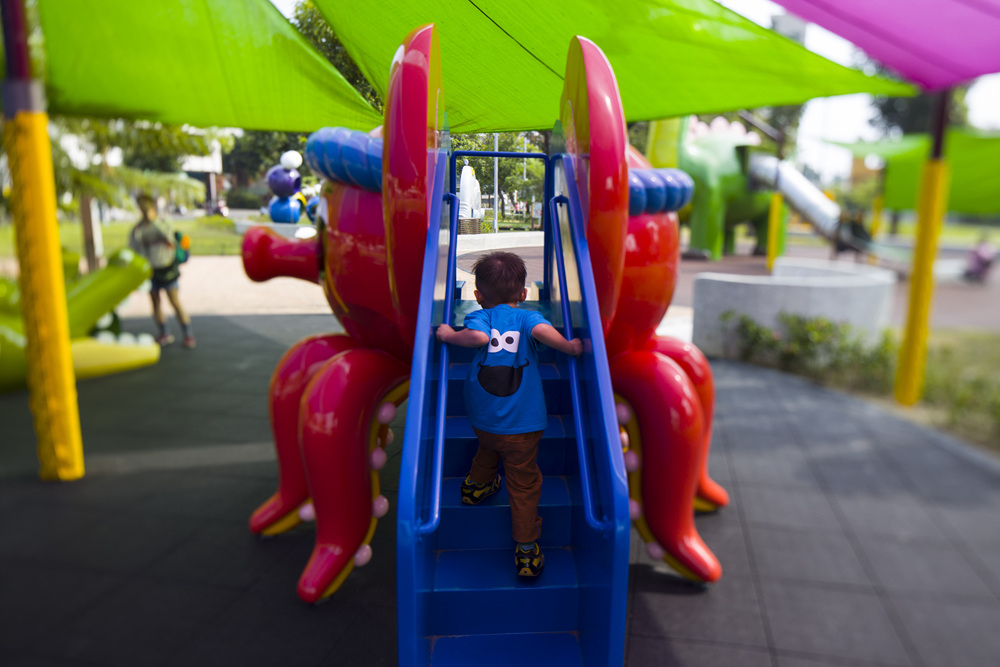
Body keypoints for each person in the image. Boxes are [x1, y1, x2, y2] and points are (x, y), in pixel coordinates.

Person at [436, 251, 582, 577]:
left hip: (483, 416)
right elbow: (544, 333)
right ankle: (527, 550)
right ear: (523, 294)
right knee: (523, 481)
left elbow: (477, 337)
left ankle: (475, 487)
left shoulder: (480, 316)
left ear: (477, 296)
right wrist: (571, 347)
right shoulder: (528, 318)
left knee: (489, 445)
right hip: (523, 424)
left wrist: (447, 335)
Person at [129, 194, 196, 348]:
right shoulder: (139, 228)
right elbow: (134, 246)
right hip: (151, 270)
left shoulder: (163, 222)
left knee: (174, 301)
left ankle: (188, 334)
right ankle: (164, 332)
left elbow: (169, 237)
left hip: (167, 268)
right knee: (155, 302)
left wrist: (154, 221)